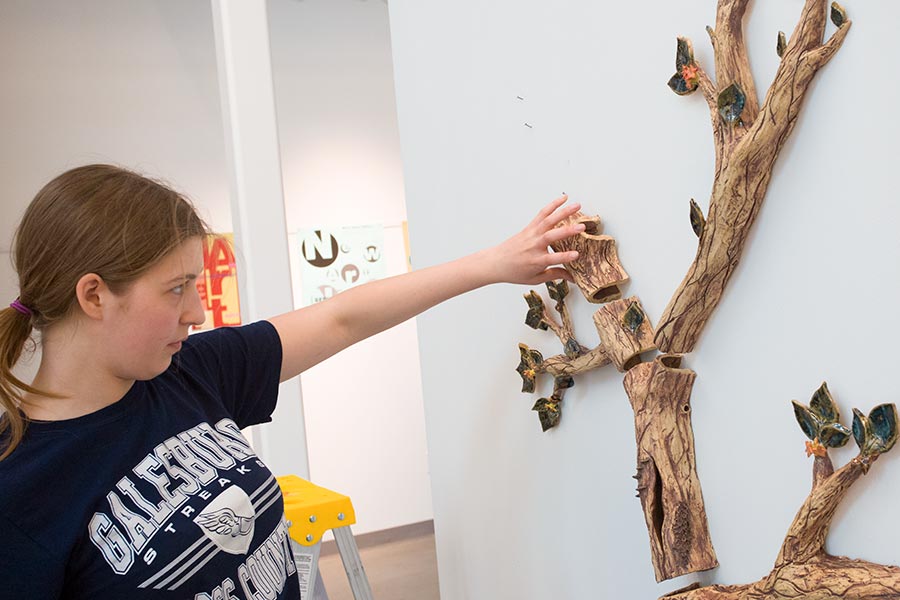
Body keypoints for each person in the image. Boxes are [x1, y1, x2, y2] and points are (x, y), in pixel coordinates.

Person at [0, 164, 584, 599]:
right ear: (94, 294)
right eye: (176, 288)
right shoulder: (19, 485)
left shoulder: (191, 373)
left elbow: (342, 316)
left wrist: (494, 264)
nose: (198, 311)